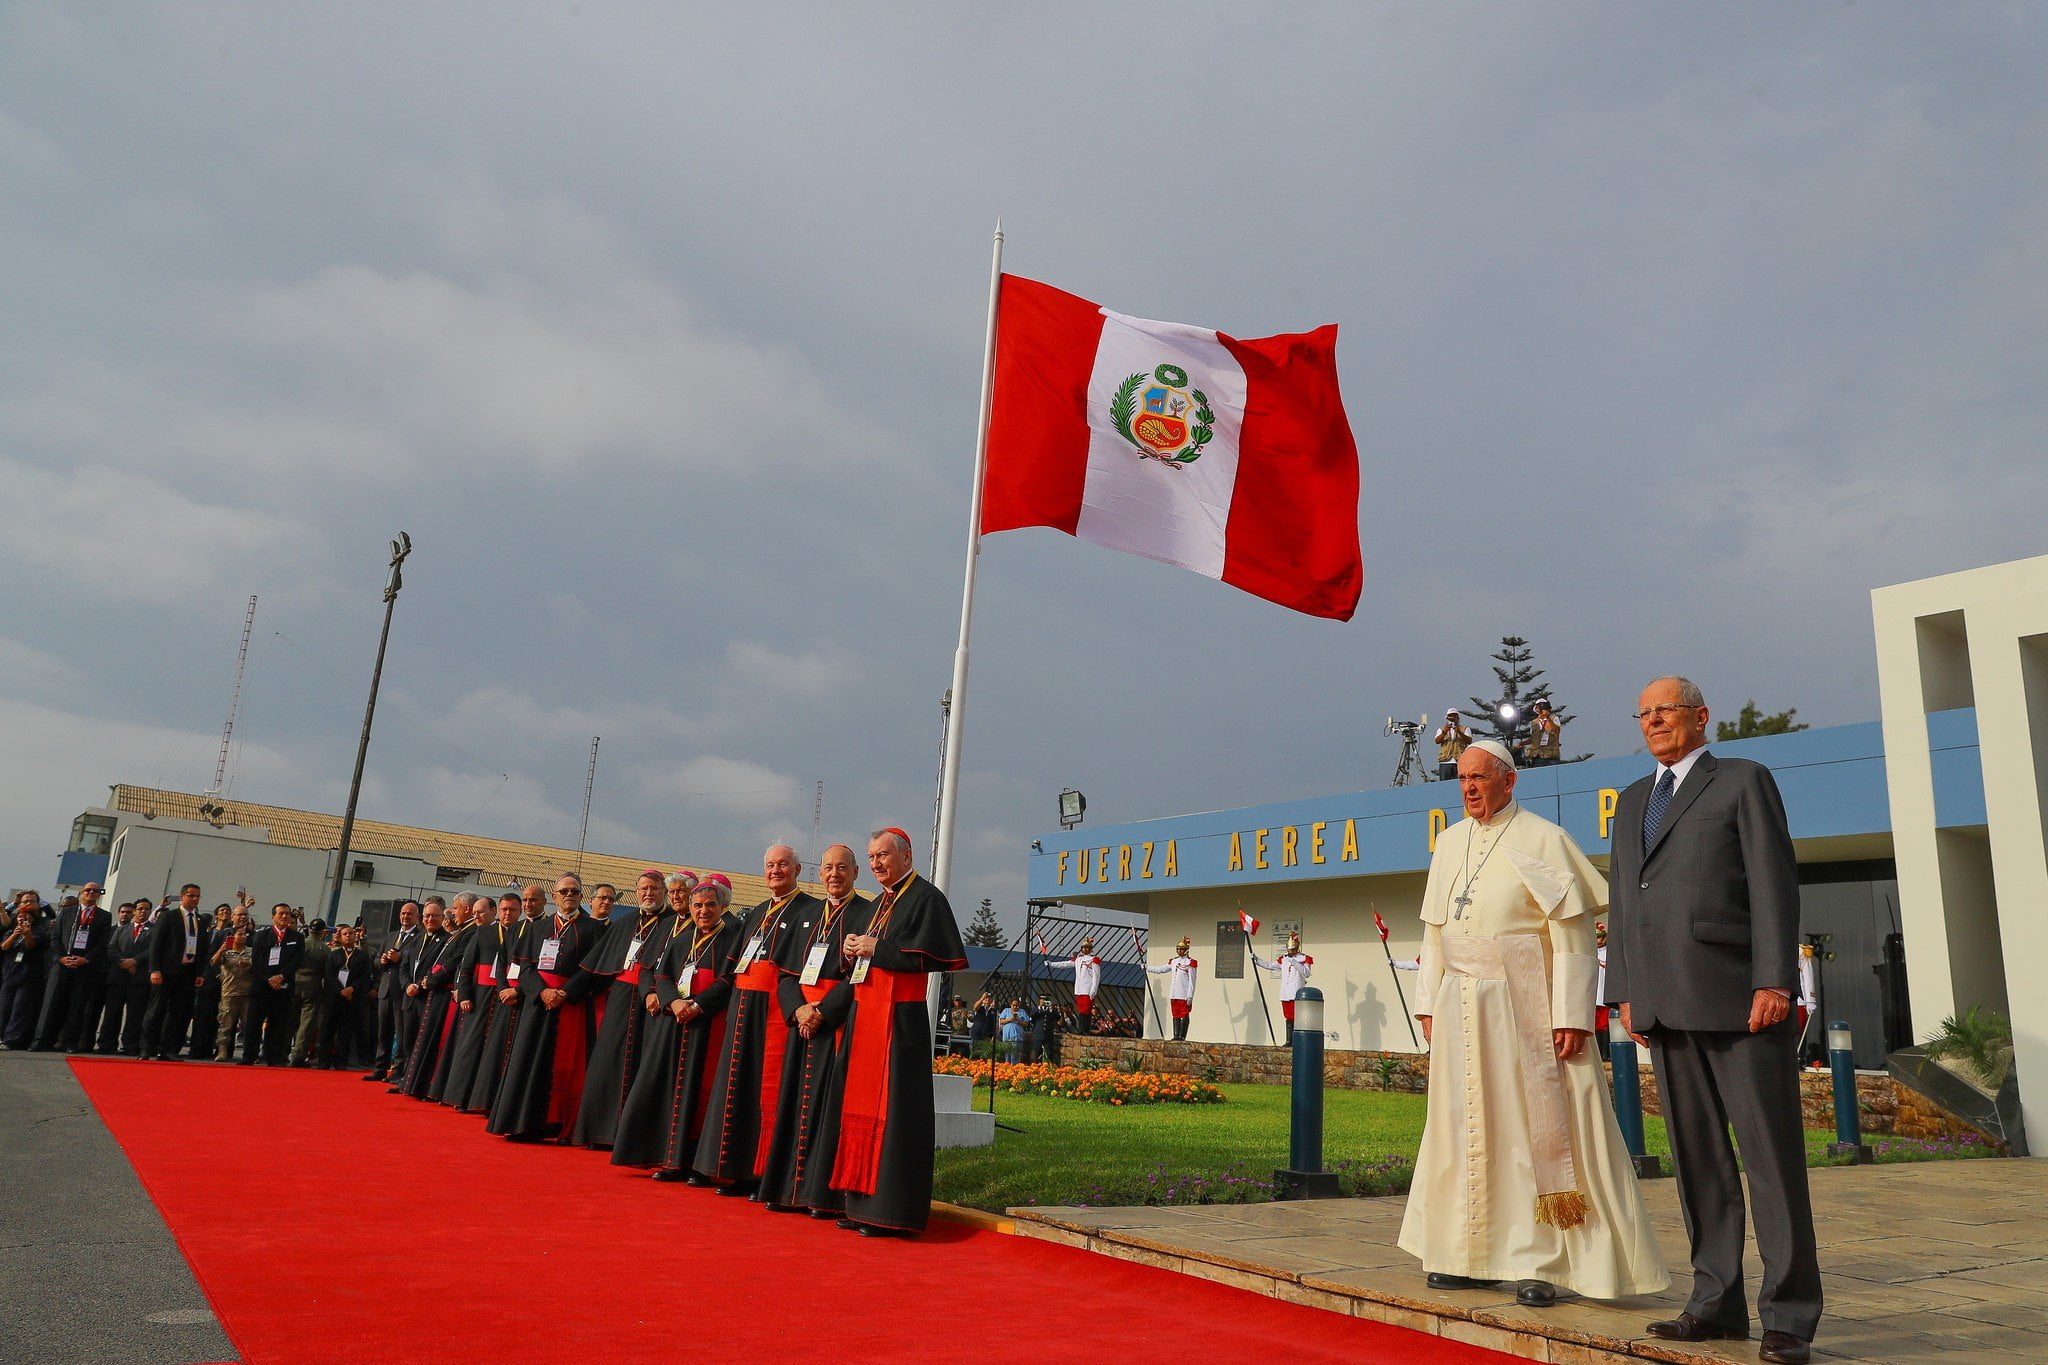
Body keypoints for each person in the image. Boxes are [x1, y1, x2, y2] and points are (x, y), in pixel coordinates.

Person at [1399, 740, 1668, 1308]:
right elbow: (1433, 931)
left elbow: (1572, 939)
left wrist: (1572, 1014)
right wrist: (1428, 1001)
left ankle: (1535, 1260)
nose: (1469, 787)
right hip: (1458, 1005)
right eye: (1463, 778)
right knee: (1459, 1125)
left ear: (1509, 781)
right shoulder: (1448, 843)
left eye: (1480, 777)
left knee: (1526, 1132)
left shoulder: (1544, 839)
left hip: (1523, 1004)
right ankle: (1460, 1255)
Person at [1607, 677, 1820, 1365]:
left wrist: (1774, 978)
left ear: (1701, 716)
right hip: (1665, 1006)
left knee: (1771, 1161)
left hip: (1739, 1000)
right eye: (1645, 712)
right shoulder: (1635, 799)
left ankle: (1788, 1314)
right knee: (1699, 1163)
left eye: (1666, 708)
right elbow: (1623, 897)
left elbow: (1772, 881)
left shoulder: (1742, 779)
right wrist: (1625, 989)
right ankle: (1715, 1300)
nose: (1654, 719)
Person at [823, 827, 967, 1236]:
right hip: (866, 1015)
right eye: (871, 858)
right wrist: (852, 947)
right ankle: (857, 1203)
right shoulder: (879, 904)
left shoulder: (926, 898)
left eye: (882, 856)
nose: (875, 864)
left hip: (899, 1020)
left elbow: (932, 956)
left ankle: (890, 1211)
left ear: (906, 855)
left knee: (895, 1112)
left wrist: (876, 949)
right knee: (855, 1107)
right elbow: (866, 957)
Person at [695, 845, 818, 1195]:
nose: (775, 871)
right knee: (737, 1086)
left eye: (782, 865)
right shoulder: (758, 911)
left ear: (796, 869)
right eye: (769, 865)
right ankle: (730, 1168)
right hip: (743, 1006)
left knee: (767, 1091)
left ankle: (761, 1173)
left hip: (774, 1012)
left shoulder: (808, 909)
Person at [759, 845, 868, 1216]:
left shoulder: (866, 913)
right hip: (801, 1021)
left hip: (834, 1022)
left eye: (842, 867)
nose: (834, 874)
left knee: (827, 1109)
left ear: (855, 873)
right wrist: (799, 1010)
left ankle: (819, 1196)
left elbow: (859, 976)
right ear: (818, 874)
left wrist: (822, 1011)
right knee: (794, 1104)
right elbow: (786, 975)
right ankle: (788, 1190)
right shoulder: (806, 914)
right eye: (828, 868)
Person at [621, 875, 744, 1180]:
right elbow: (661, 976)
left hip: (709, 1024)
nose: (704, 911)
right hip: (675, 1023)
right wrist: (673, 1003)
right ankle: (670, 1159)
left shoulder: (733, 938)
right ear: (690, 908)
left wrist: (699, 1004)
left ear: (722, 906)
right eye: (698, 905)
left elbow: (730, 979)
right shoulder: (679, 940)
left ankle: (698, 1164)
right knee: (671, 1090)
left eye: (711, 905)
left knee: (703, 1092)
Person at [489, 875, 607, 1142]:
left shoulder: (594, 929)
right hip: (537, 1003)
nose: (569, 895)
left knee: (569, 1064)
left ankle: (561, 1125)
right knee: (528, 1061)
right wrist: (541, 991)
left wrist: (565, 992)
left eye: (575, 891)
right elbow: (523, 966)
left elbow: (593, 969)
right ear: (554, 896)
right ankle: (523, 1124)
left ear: (581, 896)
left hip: (571, 1004)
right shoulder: (537, 928)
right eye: (564, 891)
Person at [568, 869, 678, 1147]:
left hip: (649, 1000)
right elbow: (598, 963)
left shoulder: (672, 923)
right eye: (643, 889)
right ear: (636, 892)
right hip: (619, 998)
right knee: (607, 1063)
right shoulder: (625, 922)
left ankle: (630, 1137)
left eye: (654, 888)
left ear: (663, 892)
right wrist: (567, 991)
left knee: (643, 1064)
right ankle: (598, 1132)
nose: (648, 894)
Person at [443, 893, 520, 1107]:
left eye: (511, 910)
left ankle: (487, 1100)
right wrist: (465, 994)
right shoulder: (483, 932)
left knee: (497, 1049)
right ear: (498, 911)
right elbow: (466, 966)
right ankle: (461, 1097)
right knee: (471, 1045)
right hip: (480, 995)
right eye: (504, 910)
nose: (507, 914)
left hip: (506, 996)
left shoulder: (523, 932)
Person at [33, 881, 110, 1052]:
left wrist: (86, 959)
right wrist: (61, 958)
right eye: (87, 890)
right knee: (51, 1003)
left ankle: (70, 1042)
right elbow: (56, 937)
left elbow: (103, 943)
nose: (91, 893)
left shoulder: (104, 916)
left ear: (99, 895)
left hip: (84, 967)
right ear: (81, 893)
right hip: (62, 965)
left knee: (77, 1006)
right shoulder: (67, 912)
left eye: (95, 891)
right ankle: (41, 1040)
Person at [140, 883, 206, 1061]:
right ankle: (146, 1049)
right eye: (191, 895)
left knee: (176, 1013)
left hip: (187, 972)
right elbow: (156, 945)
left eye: (197, 896)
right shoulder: (169, 917)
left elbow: (203, 949)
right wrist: (154, 969)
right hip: (166, 971)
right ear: (183, 896)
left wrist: (200, 972)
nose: (194, 899)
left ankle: (167, 1049)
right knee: (155, 1010)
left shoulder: (200, 920)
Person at [240, 904, 304, 1065]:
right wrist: (269, 978)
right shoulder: (262, 935)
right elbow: (257, 959)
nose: (284, 917)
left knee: (278, 1024)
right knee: (253, 1023)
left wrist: (281, 976)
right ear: (273, 916)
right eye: (281, 913)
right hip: (261, 985)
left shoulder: (296, 938)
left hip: (283, 987)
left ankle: (272, 1056)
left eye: (287, 914)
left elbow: (297, 960)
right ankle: (249, 1056)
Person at [366, 901, 421, 1082]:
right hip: (385, 990)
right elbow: (375, 960)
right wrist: (381, 960)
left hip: (402, 991)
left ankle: (398, 1070)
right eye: (403, 913)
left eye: (410, 914)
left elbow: (415, 961)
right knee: (383, 1032)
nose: (405, 916)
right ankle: (380, 1068)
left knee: (401, 1032)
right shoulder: (391, 936)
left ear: (417, 917)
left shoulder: (419, 937)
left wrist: (400, 958)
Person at [96, 902, 151, 1055]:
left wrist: (135, 961)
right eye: (140, 909)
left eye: (146, 909)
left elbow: (152, 950)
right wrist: (124, 962)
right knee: (112, 1013)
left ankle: (130, 1046)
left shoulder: (154, 930)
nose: (142, 912)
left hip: (138, 978)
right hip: (118, 978)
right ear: (134, 911)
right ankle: (106, 1044)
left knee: (135, 1015)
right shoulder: (122, 929)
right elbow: (111, 948)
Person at [1, 892, 49, 1049]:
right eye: (24, 902)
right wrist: (15, 934)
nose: (23, 919)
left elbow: (32, 946)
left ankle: (13, 1040)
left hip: (29, 974)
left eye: (32, 901)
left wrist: (28, 934)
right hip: (10, 973)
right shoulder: (13, 927)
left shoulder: (43, 925)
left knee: (20, 1009)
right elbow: (3, 947)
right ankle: (2, 1035)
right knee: (4, 1007)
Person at [322, 924, 372, 1069]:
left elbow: (365, 976)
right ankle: (323, 1061)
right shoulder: (334, 955)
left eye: (351, 933)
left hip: (352, 999)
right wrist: (341, 990)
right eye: (345, 934)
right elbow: (329, 975)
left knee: (345, 1033)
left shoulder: (362, 956)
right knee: (327, 1030)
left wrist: (352, 989)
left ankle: (341, 1062)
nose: (348, 936)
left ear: (355, 936)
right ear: (341, 936)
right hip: (333, 998)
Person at [1250, 930, 1313, 1044]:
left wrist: (1296, 963)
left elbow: (1306, 973)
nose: (1290, 951)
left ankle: (1297, 1041)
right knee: (1288, 1017)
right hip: (1285, 992)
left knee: (1298, 1017)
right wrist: (1256, 959)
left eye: (1292, 949)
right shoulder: (1284, 959)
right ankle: (1289, 1041)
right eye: (1289, 949)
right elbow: (1270, 965)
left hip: (1297, 992)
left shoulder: (1304, 958)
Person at [290, 920, 333, 1065]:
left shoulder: (298, 944)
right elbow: (328, 972)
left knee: (289, 1020)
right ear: (323, 932)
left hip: (294, 982)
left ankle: (281, 1052)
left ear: (309, 929)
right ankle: (298, 1056)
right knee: (306, 1023)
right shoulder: (325, 949)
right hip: (313, 985)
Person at [1041, 936, 1103, 1030]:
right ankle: (1081, 1029)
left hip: (1088, 989)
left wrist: (1093, 989)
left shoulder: (1094, 959)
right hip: (1079, 988)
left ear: (1090, 949)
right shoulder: (1078, 959)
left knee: (1086, 1010)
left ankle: (1085, 1029)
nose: (1085, 949)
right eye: (1083, 947)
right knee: (1081, 1010)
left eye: (1087, 947)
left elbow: (1096, 976)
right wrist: (1051, 964)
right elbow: (1065, 964)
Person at [212, 923, 254, 1061]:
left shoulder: (251, 951)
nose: (243, 937)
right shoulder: (226, 951)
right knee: (225, 1024)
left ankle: (248, 1053)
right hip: (229, 992)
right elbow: (214, 962)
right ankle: (222, 1051)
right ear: (233, 936)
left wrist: (249, 965)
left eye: (244, 934)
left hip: (247, 992)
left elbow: (259, 969)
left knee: (249, 1025)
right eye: (239, 934)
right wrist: (221, 949)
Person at [1146, 935, 1199, 1041]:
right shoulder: (1174, 961)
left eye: (1181, 949)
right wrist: (1148, 968)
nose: (1179, 951)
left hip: (1184, 994)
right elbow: (1162, 969)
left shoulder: (1190, 963)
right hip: (1174, 993)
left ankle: (1182, 1036)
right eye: (1178, 949)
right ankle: (1176, 1035)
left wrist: (1190, 996)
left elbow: (1192, 981)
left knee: (1184, 1015)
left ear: (1186, 950)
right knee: (1176, 1015)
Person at [1435, 708, 1473, 780]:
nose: (1452, 718)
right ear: (1447, 718)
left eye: (1454, 716)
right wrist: (1444, 732)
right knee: (1444, 784)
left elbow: (1469, 741)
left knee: (1460, 783)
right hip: (1445, 761)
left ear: (1457, 717)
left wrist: (1459, 732)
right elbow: (1437, 741)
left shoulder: (1465, 729)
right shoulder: (1441, 729)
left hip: (1459, 760)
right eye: (1450, 716)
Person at [1525, 697, 1562, 766]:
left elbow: (1556, 731)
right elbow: (1533, 738)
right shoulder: (1534, 722)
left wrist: (1547, 718)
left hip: (1551, 755)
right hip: (1537, 756)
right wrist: (1523, 743)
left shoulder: (1554, 718)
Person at [1029, 996, 1062, 1065]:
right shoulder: (1036, 1009)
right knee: (1036, 1055)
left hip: (1048, 1036)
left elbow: (1058, 1019)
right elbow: (1032, 1019)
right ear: (1040, 1000)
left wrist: (1052, 1010)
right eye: (1043, 1000)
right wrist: (1040, 1008)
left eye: (1046, 1000)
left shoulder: (1052, 1010)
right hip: (1038, 1035)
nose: (1045, 1002)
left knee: (1049, 1055)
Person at [997, 998, 1030, 1062]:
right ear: (1010, 1004)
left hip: (1017, 1038)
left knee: (1015, 1057)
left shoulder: (1022, 1011)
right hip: (1007, 1038)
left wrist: (1018, 1020)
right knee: (1007, 1056)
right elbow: (1001, 1021)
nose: (1015, 1007)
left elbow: (1026, 1024)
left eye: (1017, 1005)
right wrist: (1010, 1019)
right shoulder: (1006, 1010)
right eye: (1013, 1005)